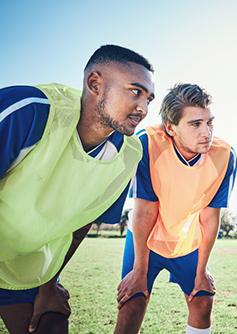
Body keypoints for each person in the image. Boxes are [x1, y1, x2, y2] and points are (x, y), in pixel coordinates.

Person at [0, 45, 155, 334]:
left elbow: (84, 220)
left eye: (149, 98)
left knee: (52, 323)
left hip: (23, 269)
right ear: (95, 84)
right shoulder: (30, 110)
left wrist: (50, 283)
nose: (143, 109)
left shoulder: (130, 155)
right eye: (135, 92)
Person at [114, 83, 237, 334]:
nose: (206, 132)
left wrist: (202, 271)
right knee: (132, 303)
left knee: (202, 300)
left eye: (209, 122)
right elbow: (145, 211)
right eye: (195, 124)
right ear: (170, 127)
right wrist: (139, 270)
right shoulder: (147, 143)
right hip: (146, 239)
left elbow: (210, 218)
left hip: (187, 241)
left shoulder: (225, 156)